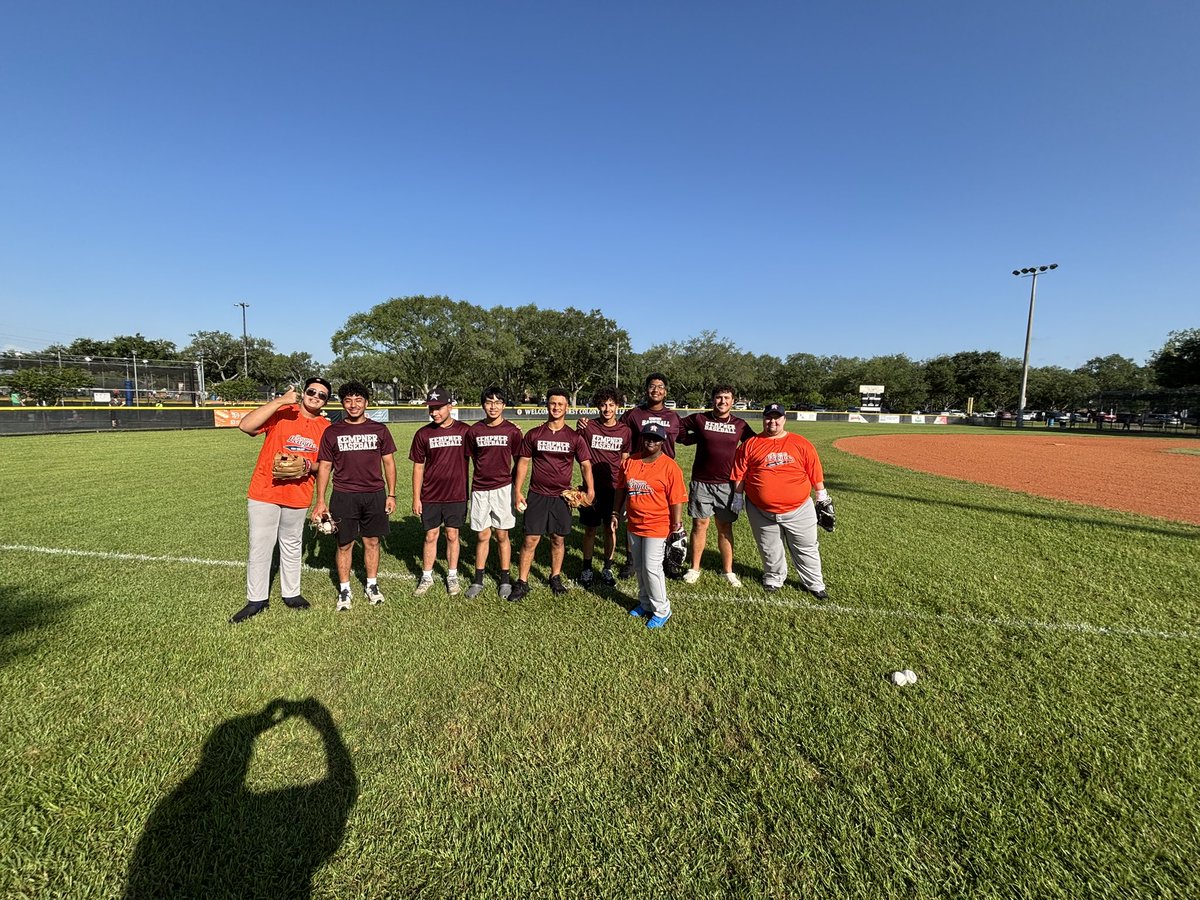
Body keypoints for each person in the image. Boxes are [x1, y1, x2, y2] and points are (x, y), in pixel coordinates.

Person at [230, 378, 331, 623]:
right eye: (311, 391)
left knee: (292, 544)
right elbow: (245, 426)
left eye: (322, 395)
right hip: (265, 490)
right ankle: (256, 599)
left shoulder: (326, 427)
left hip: (298, 492)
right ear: (304, 393)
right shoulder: (284, 412)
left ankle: (292, 593)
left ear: (326, 401)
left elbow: (325, 466)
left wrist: (308, 466)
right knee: (260, 545)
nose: (315, 396)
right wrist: (280, 401)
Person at [312, 381, 397, 612]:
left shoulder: (380, 430)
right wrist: (320, 501)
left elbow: (388, 462)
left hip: (374, 495)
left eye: (358, 400)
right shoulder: (332, 431)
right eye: (348, 400)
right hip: (344, 495)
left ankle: (371, 585)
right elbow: (325, 467)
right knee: (344, 543)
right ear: (343, 403)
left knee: (372, 541)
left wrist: (391, 494)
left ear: (366, 403)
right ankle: (345, 589)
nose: (353, 404)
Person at [731, 404, 832, 597]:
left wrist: (821, 495)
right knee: (769, 547)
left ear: (784, 420)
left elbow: (814, 471)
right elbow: (739, 474)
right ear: (763, 419)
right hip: (761, 510)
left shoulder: (801, 443)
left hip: (799, 508)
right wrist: (737, 497)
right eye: (769, 417)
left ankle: (815, 584)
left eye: (777, 418)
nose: (773, 422)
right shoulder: (750, 444)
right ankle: (773, 578)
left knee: (806, 547)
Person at [509, 389, 594, 601]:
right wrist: (517, 490)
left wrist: (589, 490)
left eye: (560, 404)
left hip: (562, 497)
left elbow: (585, 465)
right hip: (537, 494)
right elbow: (523, 463)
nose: (556, 408)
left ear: (567, 408)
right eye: (552, 403)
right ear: (547, 405)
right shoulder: (534, 434)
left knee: (558, 539)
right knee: (530, 539)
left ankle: (555, 577)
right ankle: (522, 582)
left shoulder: (574, 437)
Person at [677, 384, 755, 587]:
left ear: (733, 401)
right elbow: (677, 427)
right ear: (713, 400)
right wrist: (692, 438)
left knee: (725, 527)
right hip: (702, 482)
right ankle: (694, 568)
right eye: (719, 397)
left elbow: (754, 444)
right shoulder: (700, 419)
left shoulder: (740, 424)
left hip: (727, 485)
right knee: (699, 525)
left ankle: (728, 571)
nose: (722, 401)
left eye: (727, 398)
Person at [615, 422, 687, 629]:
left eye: (655, 439)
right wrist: (615, 512)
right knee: (638, 566)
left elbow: (676, 499)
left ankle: (662, 609)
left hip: (658, 524)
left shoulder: (670, 466)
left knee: (651, 567)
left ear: (662, 442)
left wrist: (676, 526)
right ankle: (645, 602)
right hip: (635, 523)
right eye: (647, 437)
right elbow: (621, 488)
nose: (651, 441)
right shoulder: (631, 462)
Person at [617, 372, 683, 579]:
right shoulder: (634, 414)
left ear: (666, 391)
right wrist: (587, 424)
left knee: (667, 517)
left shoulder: (673, 417)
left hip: (664, 472)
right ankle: (631, 560)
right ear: (646, 389)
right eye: (652, 386)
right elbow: (616, 429)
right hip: (639, 470)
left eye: (660, 386)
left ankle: (668, 558)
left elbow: (688, 436)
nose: (656, 390)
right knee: (634, 516)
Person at [409, 388, 471, 597]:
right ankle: (426, 576)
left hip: (457, 493)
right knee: (430, 535)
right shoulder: (423, 434)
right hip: (431, 494)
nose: (433, 413)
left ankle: (451, 575)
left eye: (438, 408)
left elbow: (486, 444)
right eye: (431, 409)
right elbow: (418, 467)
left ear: (449, 407)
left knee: (453, 535)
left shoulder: (465, 431)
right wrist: (416, 497)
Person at [465, 386, 524, 598]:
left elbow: (520, 462)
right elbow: (473, 458)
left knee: (502, 534)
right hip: (480, 489)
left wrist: (515, 489)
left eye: (498, 402)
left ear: (504, 405)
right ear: (483, 405)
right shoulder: (474, 431)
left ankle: (505, 580)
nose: (493, 406)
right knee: (482, 535)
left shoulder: (512, 431)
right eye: (489, 402)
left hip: (503, 488)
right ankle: (478, 580)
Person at [574, 386, 631, 587]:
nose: (607, 408)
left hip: (614, 489)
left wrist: (625, 490)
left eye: (611, 404)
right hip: (592, 488)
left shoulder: (625, 431)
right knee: (590, 530)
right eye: (603, 404)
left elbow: (625, 463)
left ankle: (607, 568)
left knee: (610, 529)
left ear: (617, 406)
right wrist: (578, 424)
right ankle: (587, 568)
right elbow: (576, 448)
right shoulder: (588, 426)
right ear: (598, 406)